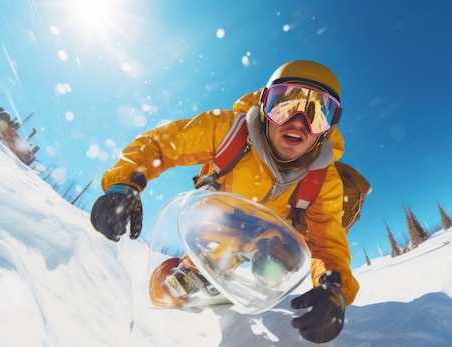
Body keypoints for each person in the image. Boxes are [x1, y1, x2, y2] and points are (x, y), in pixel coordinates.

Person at [90, 60, 359, 344]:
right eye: (285, 105)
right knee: (194, 264)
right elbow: (161, 144)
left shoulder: (323, 178)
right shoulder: (229, 131)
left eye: (318, 114)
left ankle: (256, 271)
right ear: (265, 105)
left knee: (276, 267)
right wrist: (125, 184)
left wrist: (334, 289)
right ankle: (196, 271)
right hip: (214, 223)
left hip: (271, 239)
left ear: (328, 128)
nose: (297, 122)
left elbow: (329, 241)